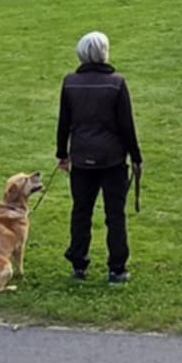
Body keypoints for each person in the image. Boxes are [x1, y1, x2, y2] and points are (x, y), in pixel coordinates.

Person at [55, 30, 143, 283]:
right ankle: (117, 267)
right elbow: (126, 125)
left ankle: (78, 264)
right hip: (112, 157)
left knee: (81, 211)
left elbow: (64, 122)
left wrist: (62, 153)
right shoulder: (116, 83)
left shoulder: (70, 82)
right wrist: (135, 156)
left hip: (81, 155)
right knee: (115, 214)